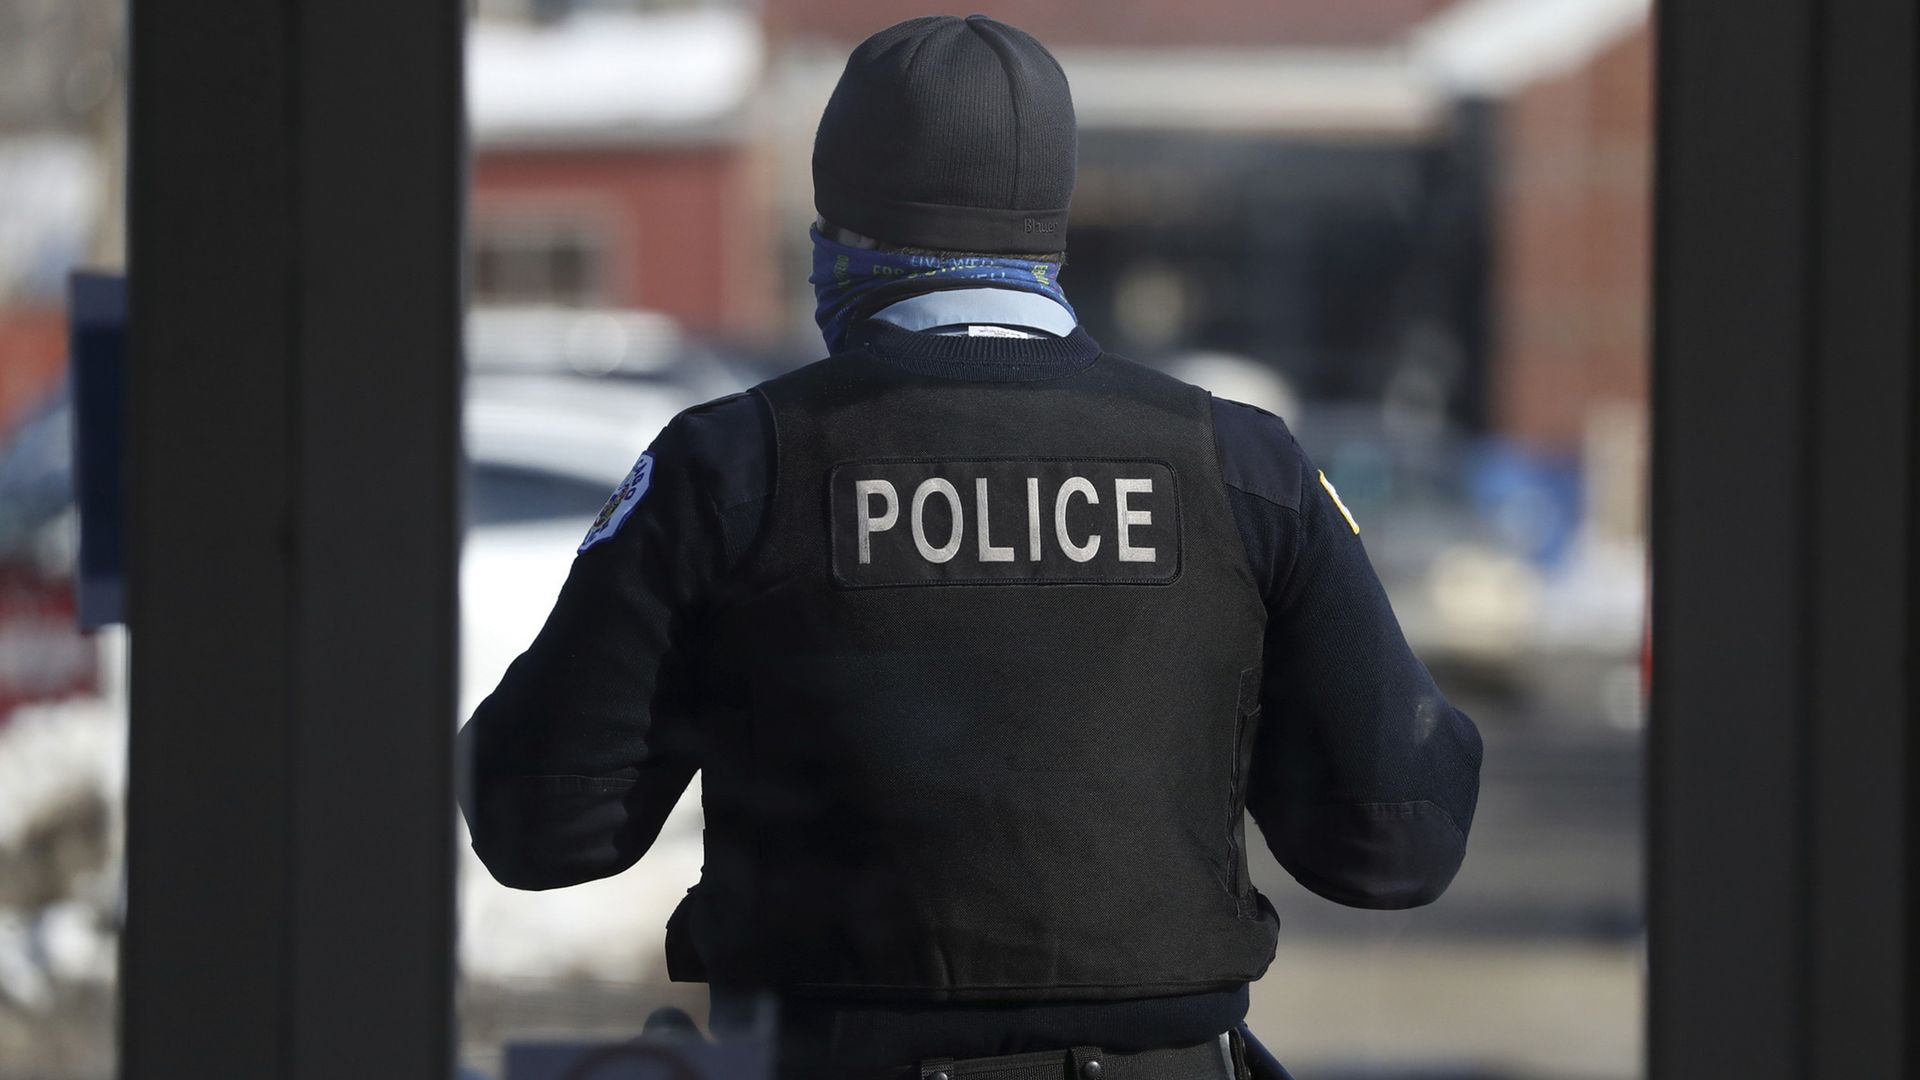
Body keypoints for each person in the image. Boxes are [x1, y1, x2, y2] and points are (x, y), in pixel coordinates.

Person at [458, 15, 1483, 1080]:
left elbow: (539, 822)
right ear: (1051, 227)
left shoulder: (729, 469)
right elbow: (1397, 841)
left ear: (835, 233)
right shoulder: (1240, 467)